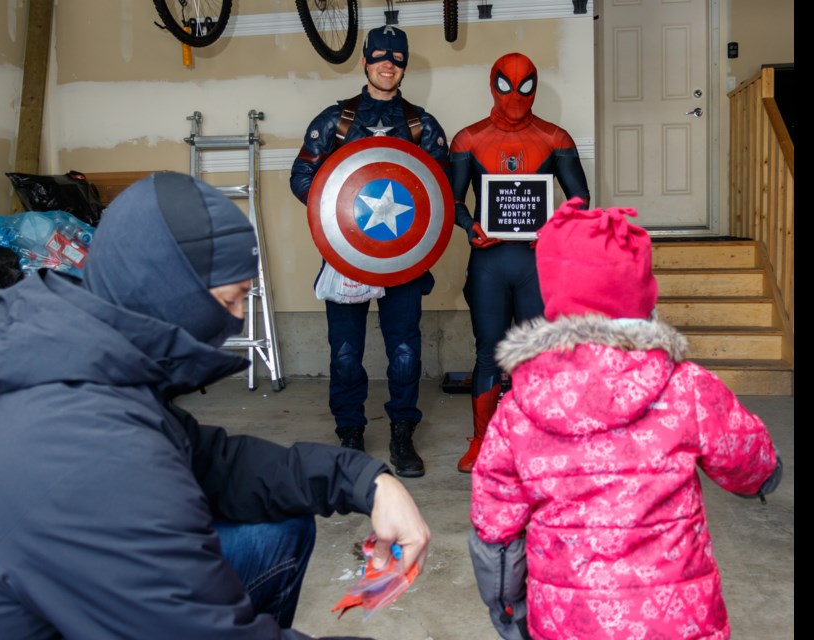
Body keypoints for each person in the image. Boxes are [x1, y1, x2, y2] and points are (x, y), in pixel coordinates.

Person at [0, 172, 431, 639]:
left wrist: (365, 480)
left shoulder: (72, 345)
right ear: (169, 288)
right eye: (232, 300)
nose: (237, 320)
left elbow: (205, 459)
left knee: (274, 524)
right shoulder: (77, 439)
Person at [469, 199, 783, 640]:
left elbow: (496, 530)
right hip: (678, 620)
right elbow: (748, 458)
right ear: (642, 295)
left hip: (566, 621)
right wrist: (762, 479)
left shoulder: (519, 407)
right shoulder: (688, 386)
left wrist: (508, 608)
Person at [290, 25, 449, 478]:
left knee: (404, 350)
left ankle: (402, 433)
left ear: (404, 65)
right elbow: (302, 177)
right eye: (379, 56)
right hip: (347, 257)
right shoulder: (336, 120)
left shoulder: (421, 125)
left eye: (396, 58)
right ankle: (350, 435)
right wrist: (341, 219)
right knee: (344, 350)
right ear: (364, 61)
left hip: (405, 258)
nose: (387, 64)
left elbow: (441, 191)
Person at [450, 52, 591, 473]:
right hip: (489, 261)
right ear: (492, 84)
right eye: (506, 85)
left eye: (524, 85)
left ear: (536, 84)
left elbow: (580, 201)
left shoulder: (555, 137)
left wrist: (556, 228)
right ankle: (481, 441)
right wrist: (472, 225)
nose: (515, 95)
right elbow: (453, 201)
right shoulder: (468, 139)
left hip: (535, 263)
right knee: (488, 353)